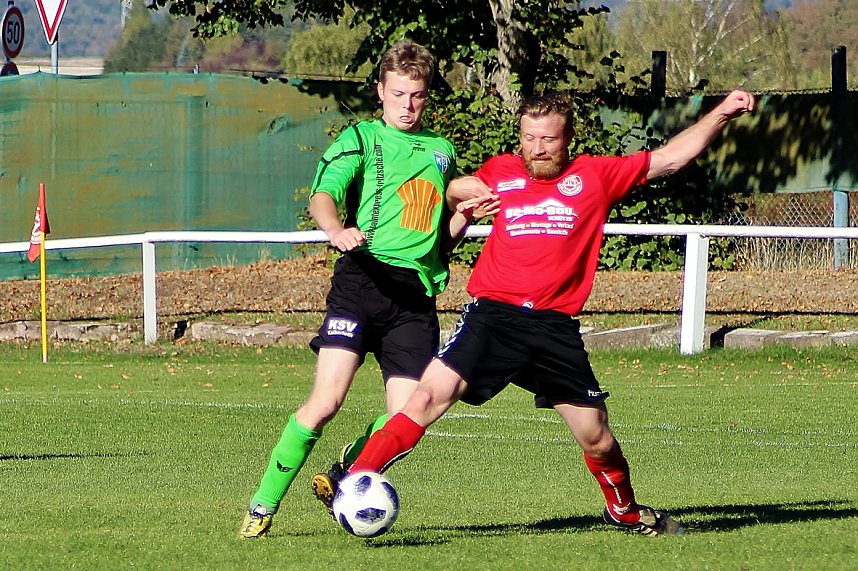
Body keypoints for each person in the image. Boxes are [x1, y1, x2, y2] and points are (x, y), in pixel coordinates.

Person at [337, 89, 756, 536]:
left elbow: (671, 158)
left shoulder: (595, 175)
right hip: (491, 317)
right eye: (529, 138)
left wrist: (723, 113)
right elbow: (453, 186)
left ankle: (625, 511)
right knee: (425, 398)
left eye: (548, 140)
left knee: (596, 436)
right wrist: (468, 190)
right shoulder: (502, 170)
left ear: (568, 138)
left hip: (554, 328)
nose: (537, 149)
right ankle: (353, 482)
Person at [239, 39, 495, 539]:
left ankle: (346, 472)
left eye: (417, 95)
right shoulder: (360, 138)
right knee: (326, 400)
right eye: (398, 93)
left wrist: (462, 217)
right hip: (362, 283)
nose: (407, 104)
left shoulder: (442, 152)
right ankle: (263, 505)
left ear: (427, 96)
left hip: (414, 300)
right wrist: (335, 230)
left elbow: (435, 240)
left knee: (408, 419)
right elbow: (323, 196)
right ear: (380, 91)